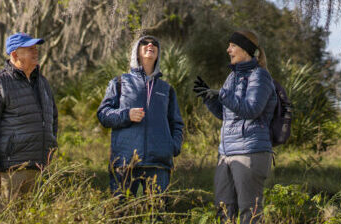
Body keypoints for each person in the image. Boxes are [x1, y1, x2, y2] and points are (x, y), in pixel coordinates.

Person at [193, 30, 277, 223]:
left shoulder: (260, 76)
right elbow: (226, 115)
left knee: (250, 212)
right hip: (226, 153)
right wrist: (209, 99)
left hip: (250, 152)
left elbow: (251, 109)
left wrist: (222, 95)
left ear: (245, 49)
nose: (228, 50)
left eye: (232, 46)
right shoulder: (231, 77)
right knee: (223, 210)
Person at [0, 32, 58, 216]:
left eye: (35, 48)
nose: (36, 52)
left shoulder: (43, 83)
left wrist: (50, 153)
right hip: (9, 171)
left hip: (39, 169)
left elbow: (53, 120)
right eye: (30, 49)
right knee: (3, 218)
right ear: (14, 55)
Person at [97, 34, 184, 196]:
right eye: (145, 42)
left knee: (157, 211)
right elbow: (103, 114)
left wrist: (172, 147)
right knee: (120, 209)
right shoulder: (120, 82)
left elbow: (176, 123)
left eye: (154, 43)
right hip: (125, 161)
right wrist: (126, 115)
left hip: (159, 164)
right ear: (136, 52)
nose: (150, 45)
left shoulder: (166, 89)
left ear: (158, 53)